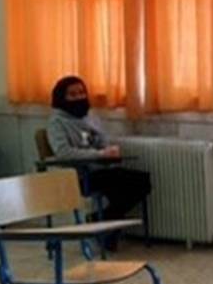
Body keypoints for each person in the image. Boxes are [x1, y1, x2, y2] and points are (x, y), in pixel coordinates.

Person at [46, 76, 151, 229]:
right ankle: (105, 226)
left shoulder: (90, 116)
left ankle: (101, 221)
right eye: (72, 94)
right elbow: (64, 153)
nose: (79, 97)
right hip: (79, 176)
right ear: (62, 98)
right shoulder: (56, 122)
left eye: (81, 92)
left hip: (100, 169)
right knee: (123, 186)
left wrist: (109, 151)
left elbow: (101, 141)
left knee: (141, 181)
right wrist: (98, 155)